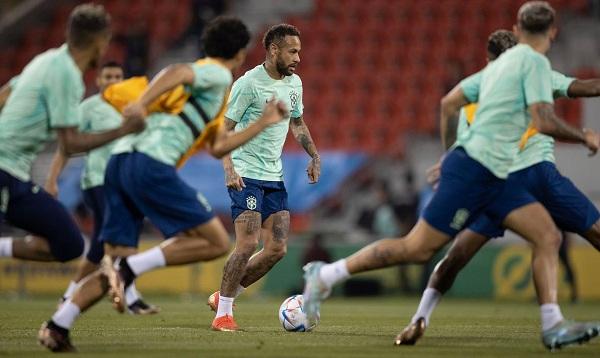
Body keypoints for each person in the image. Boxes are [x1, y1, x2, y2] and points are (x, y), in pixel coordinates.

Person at [302, 1, 600, 350]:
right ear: (553, 32)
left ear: (518, 31)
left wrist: (449, 154)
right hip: (477, 170)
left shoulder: (497, 68)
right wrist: (585, 136)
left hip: (490, 172)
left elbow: (448, 103)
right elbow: (543, 121)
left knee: (547, 236)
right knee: (415, 249)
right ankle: (324, 275)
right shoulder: (534, 62)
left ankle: (553, 326)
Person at [38, 16, 289, 352]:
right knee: (215, 241)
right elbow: (177, 71)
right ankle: (132, 268)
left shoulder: (212, 95)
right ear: (241, 51)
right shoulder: (215, 72)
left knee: (112, 265)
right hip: (149, 164)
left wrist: (262, 123)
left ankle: (58, 325)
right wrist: (141, 103)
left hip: (119, 164)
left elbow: (217, 147)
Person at [397, 29, 600, 346]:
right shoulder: (534, 76)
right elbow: (586, 87)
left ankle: (419, 317)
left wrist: (451, 163)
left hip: (506, 180)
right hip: (516, 180)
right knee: (580, 234)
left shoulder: (479, 95)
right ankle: (419, 318)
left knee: (455, 257)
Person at [0, 4, 144, 265]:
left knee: (69, 244)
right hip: (4, 169)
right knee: (69, 243)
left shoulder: (45, 59)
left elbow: (3, 96)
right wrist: (125, 129)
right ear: (100, 41)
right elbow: (70, 142)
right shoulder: (67, 75)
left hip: (15, 175)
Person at [206, 23, 321, 332]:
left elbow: (297, 123)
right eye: (292, 51)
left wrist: (313, 154)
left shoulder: (294, 83)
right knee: (246, 244)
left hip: (274, 176)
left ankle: (224, 297)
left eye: (299, 51)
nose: (298, 57)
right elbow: (223, 130)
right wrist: (228, 167)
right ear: (273, 50)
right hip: (246, 174)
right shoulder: (249, 84)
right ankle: (223, 316)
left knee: (277, 249)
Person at [44, 61, 158, 315]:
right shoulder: (89, 108)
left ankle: (73, 295)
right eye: (108, 76)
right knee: (115, 241)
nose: (113, 80)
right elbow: (66, 147)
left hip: (127, 182)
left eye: (118, 75)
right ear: (98, 80)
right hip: (98, 181)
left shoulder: (132, 106)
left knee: (104, 244)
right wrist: (52, 180)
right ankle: (128, 295)